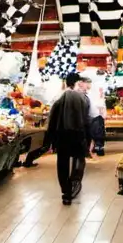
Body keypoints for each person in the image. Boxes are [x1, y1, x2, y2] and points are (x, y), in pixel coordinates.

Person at [46, 73, 91, 204]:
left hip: (62, 134)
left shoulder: (58, 97)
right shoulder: (83, 98)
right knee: (79, 158)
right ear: (77, 82)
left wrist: (50, 139)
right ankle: (74, 183)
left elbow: (52, 119)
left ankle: (66, 191)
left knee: (62, 161)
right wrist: (89, 138)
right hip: (78, 133)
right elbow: (88, 119)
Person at [84, 75, 107, 156]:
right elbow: (101, 102)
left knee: (96, 134)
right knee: (97, 133)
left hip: (95, 114)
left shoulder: (96, 90)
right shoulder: (94, 90)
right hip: (95, 115)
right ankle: (97, 148)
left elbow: (100, 102)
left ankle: (97, 148)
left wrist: (102, 113)